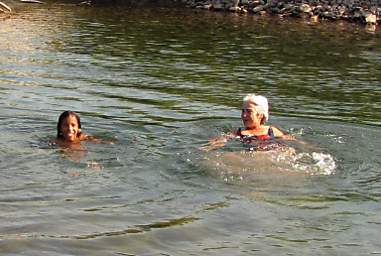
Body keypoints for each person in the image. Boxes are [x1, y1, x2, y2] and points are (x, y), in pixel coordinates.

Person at [201, 94, 294, 151]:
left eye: (249, 111)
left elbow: (292, 141)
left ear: (260, 115)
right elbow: (221, 141)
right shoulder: (238, 132)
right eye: (243, 111)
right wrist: (208, 147)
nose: (244, 115)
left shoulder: (271, 130)